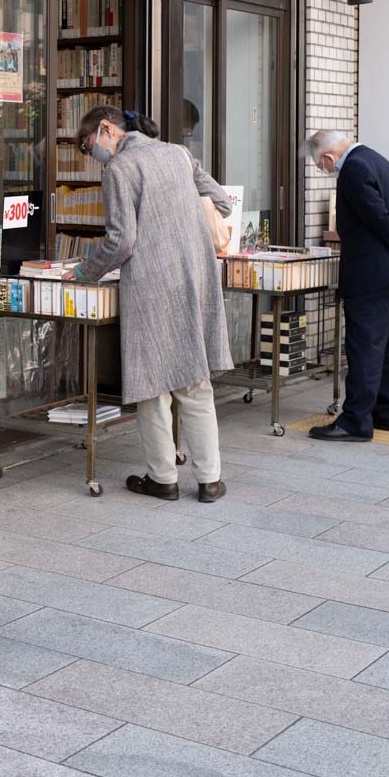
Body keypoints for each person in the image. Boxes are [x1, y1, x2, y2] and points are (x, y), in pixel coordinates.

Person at [68, 107, 233, 502]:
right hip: (194, 276)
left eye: (91, 146)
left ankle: (163, 479)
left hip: (151, 283)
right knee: (195, 380)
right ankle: (210, 480)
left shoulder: (120, 170)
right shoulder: (177, 153)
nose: (95, 157)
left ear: (107, 130)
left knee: (152, 384)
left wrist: (82, 272)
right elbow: (222, 201)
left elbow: (122, 241)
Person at [306, 131, 389, 441]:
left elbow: (377, 215)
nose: (327, 172)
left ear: (328, 158)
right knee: (387, 346)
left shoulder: (353, 169)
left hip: (369, 273)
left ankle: (356, 421)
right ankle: (388, 412)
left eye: (322, 168)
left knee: (363, 347)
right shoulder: (381, 162)